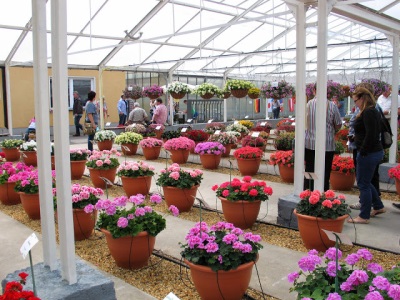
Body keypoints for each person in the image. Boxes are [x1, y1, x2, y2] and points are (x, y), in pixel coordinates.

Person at [348, 86, 386, 224]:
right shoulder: (371, 110)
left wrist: (363, 150)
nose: (355, 103)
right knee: (367, 181)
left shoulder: (369, 112)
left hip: (368, 153)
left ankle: (364, 216)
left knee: (363, 184)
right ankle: (378, 206)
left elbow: (371, 134)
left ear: (363, 98)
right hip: (372, 151)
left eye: (355, 100)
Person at [304, 85, 342, 191]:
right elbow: (338, 124)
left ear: (314, 90)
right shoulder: (332, 106)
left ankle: (308, 191)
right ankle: (322, 193)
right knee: (325, 170)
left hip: (310, 143)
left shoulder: (308, 104)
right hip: (327, 144)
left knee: (310, 169)